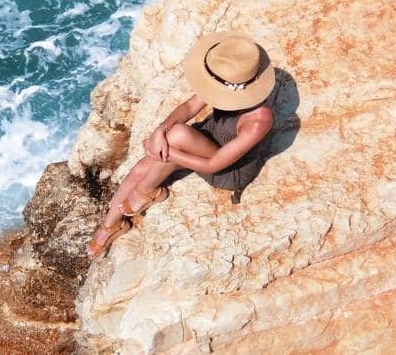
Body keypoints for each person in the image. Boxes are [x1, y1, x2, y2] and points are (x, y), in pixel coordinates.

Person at [87, 32, 277, 259]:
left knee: (172, 140)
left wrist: (168, 153)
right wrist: (160, 131)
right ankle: (109, 226)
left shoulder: (259, 121)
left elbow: (213, 165)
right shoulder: (225, 78)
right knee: (145, 163)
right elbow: (189, 107)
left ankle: (147, 191)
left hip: (228, 169)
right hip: (206, 139)